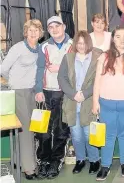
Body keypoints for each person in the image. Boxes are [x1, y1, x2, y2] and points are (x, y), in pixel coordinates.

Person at [92, 26, 124, 181]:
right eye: (118, 36)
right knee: (108, 135)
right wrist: (95, 102)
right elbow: (97, 81)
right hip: (106, 102)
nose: (122, 40)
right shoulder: (104, 57)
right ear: (113, 39)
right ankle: (105, 165)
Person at [1, 19, 43, 180]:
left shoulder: (39, 49)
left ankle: (21, 161)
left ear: (40, 33)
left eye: (36, 30)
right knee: (25, 130)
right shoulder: (18, 48)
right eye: (30, 30)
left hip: (33, 92)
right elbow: (3, 69)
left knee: (33, 129)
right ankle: (30, 169)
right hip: (19, 92)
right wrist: (13, 81)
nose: (33, 33)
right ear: (25, 32)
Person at [34, 16, 73, 179]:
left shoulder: (73, 46)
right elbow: (39, 68)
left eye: (57, 26)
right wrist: (38, 90)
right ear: (48, 31)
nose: (55, 29)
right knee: (42, 129)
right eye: (51, 27)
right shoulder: (43, 46)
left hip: (64, 93)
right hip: (46, 92)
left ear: (64, 26)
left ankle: (56, 160)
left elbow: (76, 69)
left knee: (60, 129)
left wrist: (61, 68)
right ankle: (43, 160)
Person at [58, 31, 102, 175]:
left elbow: (99, 79)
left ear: (88, 43)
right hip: (72, 103)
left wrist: (85, 93)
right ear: (75, 44)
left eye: (84, 43)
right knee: (76, 135)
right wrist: (73, 94)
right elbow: (62, 78)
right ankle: (80, 160)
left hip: (89, 102)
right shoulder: (68, 58)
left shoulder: (97, 57)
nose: (81, 46)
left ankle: (95, 160)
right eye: (79, 43)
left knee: (89, 134)